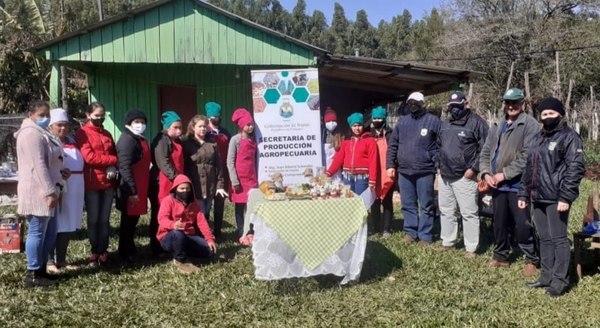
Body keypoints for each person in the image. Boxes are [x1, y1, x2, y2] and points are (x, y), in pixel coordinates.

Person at [518, 97, 585, 297]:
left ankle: (560, 281)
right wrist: (524, 193)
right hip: (538, 196)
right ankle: (546, 276)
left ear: (560, 114)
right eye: (544, 114)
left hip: (556, 198)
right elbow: (529, 168)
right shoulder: (538, 138)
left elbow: (575, 168)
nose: (547, 117)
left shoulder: (570, 137)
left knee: (558, 239)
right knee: (544, 239)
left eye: (551, 113)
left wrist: (565, 197)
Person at [479, 87, 540, 277]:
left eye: (515, 102)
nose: (511, 106)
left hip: (518, 184)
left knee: (522, 223)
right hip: (497, 184)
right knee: (500, 222)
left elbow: (527, 156)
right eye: (508, 102)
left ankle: (531, 258)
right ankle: (501, 255)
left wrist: (503, 174)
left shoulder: (530, 125)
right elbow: (486, 152)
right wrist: (486, 173)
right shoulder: (497, 124)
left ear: (523, 104)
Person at [16, 100, 63, 287]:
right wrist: (50, 191)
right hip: (38, 190)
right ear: (30, 114)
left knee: (49, 232)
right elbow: (39, 164)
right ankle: (33, 272)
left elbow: (50, 162)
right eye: (41, 115)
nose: (45, 118)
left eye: (47, 115)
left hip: (47, 188)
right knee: (36, 232)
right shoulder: (30, 134)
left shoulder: (40, 133)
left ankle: (42, 268)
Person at [437, 91, 489, 257]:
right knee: (446, 210)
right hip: (445, 175)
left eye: (458, 106)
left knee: (468, 212)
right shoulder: (445, 123)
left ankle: (471, 247)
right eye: (452, 106)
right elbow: (438, 146)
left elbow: (486, 149)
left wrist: (473, 169)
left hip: (465, 176)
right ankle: (448, 241)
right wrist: (438, 165)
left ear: (465, 104)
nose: (455, 109)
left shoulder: (477, 123)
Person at [386, 92, 441, 246]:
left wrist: (437, 162)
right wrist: (390, 165)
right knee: (408, 204)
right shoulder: (402, 122)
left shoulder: (433, 121)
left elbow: (440, 145)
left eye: (416, 102)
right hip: (404, 171)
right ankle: (410, 232)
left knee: (426, 205)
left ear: (423, 104)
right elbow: (393, 145)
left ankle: (425, 236)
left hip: (425, 170)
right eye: (410, 102)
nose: (413, 105)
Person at [75, 102, 118, 266]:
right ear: (88, 115)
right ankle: (95, 251)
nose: (100, 118)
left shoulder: (107, 133)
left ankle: (104, 251)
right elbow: (90, 157)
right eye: (96, 116)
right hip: (92, 182)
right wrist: (113, 161)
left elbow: (113, 151)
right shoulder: (82, 133)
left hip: (108, 182)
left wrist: (113, 164)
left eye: (102, 115)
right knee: (93, 220)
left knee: (104, 220)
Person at [46, 108, 84, 273]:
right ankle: (48, 261)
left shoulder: (72, 140)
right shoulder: (47, 142)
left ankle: (61, 259)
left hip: (76, 186)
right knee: (54, 224)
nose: (63, 128)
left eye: (66, 125)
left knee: (68, 223)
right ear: (51, 126)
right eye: (59, 125)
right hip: (58, 187)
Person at [157, 174, 217, 274]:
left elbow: (202, 222)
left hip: (188, 236)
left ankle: (180, 251)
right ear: (176, 189)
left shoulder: (194, 203)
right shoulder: (168, 201)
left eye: (187, 188)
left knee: (209, 251)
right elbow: (162, 219)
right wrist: (173, 225)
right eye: (182, 188)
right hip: (169, 236)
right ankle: (181, 260)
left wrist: (210, 239)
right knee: (178, 234)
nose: (185, 191)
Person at [116, 109, 151, 264]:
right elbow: (124, 167)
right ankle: (124, 252)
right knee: (128, 221)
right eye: (137, 122)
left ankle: (130, 248)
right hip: (130, 188)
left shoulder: (138, 138)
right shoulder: (127, 140)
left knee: (133, 220)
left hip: (140, 184)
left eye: (142, 122)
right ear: (129, 123)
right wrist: (132, 191)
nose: (140, 125)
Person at [182, 115, 228, 227]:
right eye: (200, 126)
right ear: (193, 127)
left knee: (206, 211)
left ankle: (205, 237)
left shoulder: (212, 143)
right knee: (198, 211)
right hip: (195, 184)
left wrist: (220, 185)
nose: (203, 129)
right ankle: (198, 237)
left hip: (210, 184)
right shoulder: (186, 143)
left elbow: (218, 165)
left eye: (205, 126)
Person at [149, 110, 184, 255]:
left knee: (172, 214)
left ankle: (170, 244)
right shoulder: (161, 141)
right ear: (167, 127)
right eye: (175, 127)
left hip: (174, 183)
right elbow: (163, 163)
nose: (178, 130)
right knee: (160, 214)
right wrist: (177, 179)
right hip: (162, 183)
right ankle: (157, 246)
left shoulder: (177, 141)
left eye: (180, 128)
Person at [326, 112, 377, 195]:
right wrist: (329, 172)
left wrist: (372, 180)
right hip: (347, 177)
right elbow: (338, 159)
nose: (357, 128)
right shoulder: (346, 142)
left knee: (361, 203)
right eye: (354, 126)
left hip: (362, 178)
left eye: (359, 125)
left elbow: (373, 161)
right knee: (348, 203)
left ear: (363, 126)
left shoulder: (370, 141)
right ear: (351, 127)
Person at [227, 108, 258, 241]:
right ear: (241, 126)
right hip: (239, 179)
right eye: (248, 125)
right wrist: (234, 181)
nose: (250, 127)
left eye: (252, 124)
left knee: (251, 206)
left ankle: (251, 230)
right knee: (240, 206)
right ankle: (241, 232)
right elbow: (230, 161)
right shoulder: (235, 140)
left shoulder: (254, 139)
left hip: (251, 178)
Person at [205, 102, 231, 239]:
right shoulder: (204, 133)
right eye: (214, 116)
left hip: (223, 172)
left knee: (220, 202)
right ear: (208, 117)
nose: (217, 118)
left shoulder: (225, 132)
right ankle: (206, 232)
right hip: (208, 172)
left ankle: (218, 231)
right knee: (207, 203)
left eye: (218, 116)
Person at [367, 106, 395, 237]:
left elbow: (394, 151)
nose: (377, 120)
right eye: (375, 118)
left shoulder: (391, 134)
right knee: (375, 201)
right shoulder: (367, 134)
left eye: (380, 118)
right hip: (373, 172)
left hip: (387, 172)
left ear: (384, 119)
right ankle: (375, 226)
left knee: (387, 201)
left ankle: (387, 228)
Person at [321, 106, 343, 177]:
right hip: (323, 168)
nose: (332, 123)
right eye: (329, 121)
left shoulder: (340, 135)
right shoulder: (322, 135)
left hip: (336, 170)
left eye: (333, 121)